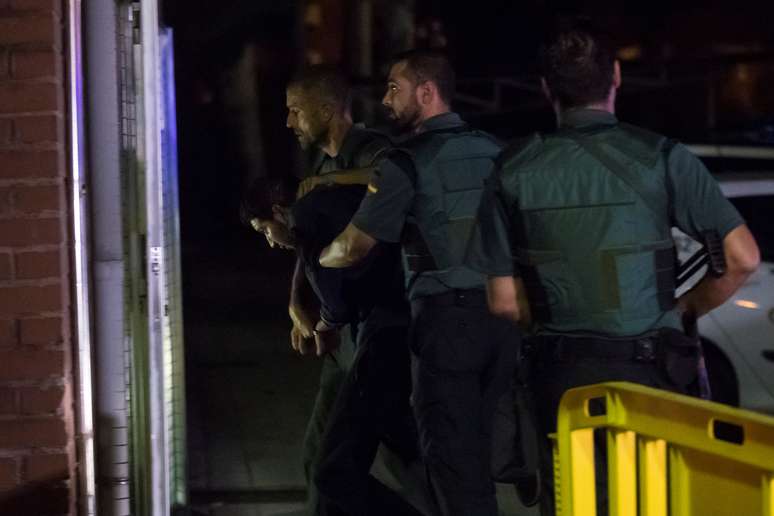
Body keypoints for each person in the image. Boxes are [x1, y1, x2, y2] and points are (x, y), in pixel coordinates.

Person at [465, 19, 761, 516]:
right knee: (651, 497)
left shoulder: (512, 169)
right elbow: (744, 259)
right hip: (651, 373)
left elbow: (503, 300)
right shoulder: (662, 157)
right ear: (617, 78)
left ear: (546, 89)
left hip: (561, 375)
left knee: (573, 501)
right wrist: (685, 307)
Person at [319, 49, 520, 516]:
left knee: (453, 463)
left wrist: (319, 254)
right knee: (487, 451)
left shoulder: (406, 162)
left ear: (427, 92)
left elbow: (353, 247)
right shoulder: (497, 151)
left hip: (447, 327)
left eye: (395, 88)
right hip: (504, 322)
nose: (386, 99)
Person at [270, 65, 413, 514]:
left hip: (377, 334)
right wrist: (298, 301)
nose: (290, 122)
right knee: (321, 461)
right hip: (343, 342)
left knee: (340, 471)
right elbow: (313, 246)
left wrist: (325, 185)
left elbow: (389, 178)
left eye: (296, 111)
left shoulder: (371, 153)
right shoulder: (324, 163)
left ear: (328, 109)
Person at [243, 173, 423, 516]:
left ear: (279, 212)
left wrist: (323, 326)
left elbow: (335, 303)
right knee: (379, 455)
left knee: (334, 472)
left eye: (265, 230)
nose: (270, 242)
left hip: (385, 340)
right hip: (397, 330)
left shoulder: (307, 226)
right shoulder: (331, 203)